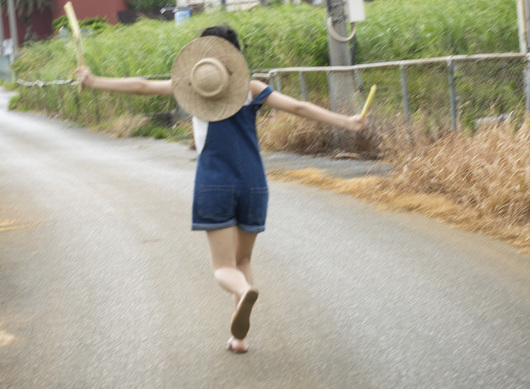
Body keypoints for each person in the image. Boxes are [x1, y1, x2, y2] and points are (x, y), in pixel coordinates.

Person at [75, 24, 366, 353]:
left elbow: (141, 86)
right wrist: (348, 122)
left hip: (215, 183)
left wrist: (94, 81)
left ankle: (242, 295)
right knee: (242, 260)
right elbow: (298, 107)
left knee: (223, 268)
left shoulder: (193, 89)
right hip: (254, 183)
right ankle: (239, 337)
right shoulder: (253, 88)